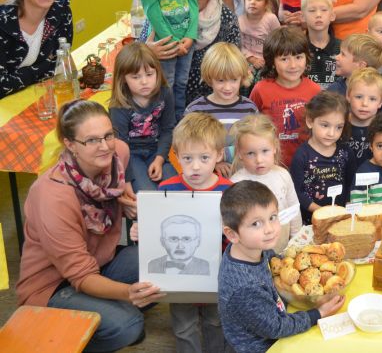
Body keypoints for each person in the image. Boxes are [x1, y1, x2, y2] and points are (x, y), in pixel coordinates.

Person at [16, 100, 161, 352]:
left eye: (108, 135)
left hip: (100, 263)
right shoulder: (52, 196)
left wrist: (123, 199)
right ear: (70, 145)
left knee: (159, 262)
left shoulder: (119, 155)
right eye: (91, 140)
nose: (104, 146)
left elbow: (117, 181)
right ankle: (53, 334)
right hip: (53, 286)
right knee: (129, 326)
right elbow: (80, 275)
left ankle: (103, 311)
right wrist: (128, 293)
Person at [218, 181, 345, 352]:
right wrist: (318, 313)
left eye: (272, 217)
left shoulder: (255, 248)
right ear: (232, 234)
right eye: (256, 223)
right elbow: (276, 328)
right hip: (265, 346)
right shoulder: (245, 288)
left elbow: (274, 260)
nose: (269, 229)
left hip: (279, 314)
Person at [157, 112, 233, 351]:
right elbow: (156, 230)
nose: (195, 166)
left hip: (218, 275)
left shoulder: (229, 190)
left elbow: (238, 235)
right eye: (187, 158)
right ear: (177, 156)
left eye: (204, 157)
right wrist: (142, 231)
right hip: (178, 278)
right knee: (183, 326)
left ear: (219, 155)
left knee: (215, 322)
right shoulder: (166, 189)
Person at [143, 0, 241, 106]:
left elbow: (234, 66)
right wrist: (148, 52)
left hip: (207, 101)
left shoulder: (227, 20)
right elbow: (137, 52)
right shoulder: (165, 8)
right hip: (163, 100)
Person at [0, 0, 72, 97]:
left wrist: (21, 75)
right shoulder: (3, 23)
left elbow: (61, 64)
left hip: (34, 95)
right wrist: (41, 69)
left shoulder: (61, 12)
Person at [109, 42, 177, 192]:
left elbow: (168, 129)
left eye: (149, 74)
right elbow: (120, 147)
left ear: (157, 72)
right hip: (131, 156)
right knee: (147, 194)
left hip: (156, 150)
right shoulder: (118, 106)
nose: (144, 81)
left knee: (176, 191)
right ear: (123, 78)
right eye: (136, 77)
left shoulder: (165, 94)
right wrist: (126, 181)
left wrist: (159, 159)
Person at [250, 26, 321, 168]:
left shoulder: (315, 90)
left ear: (307, 58)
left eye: (298, 57)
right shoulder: (261, 89)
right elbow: (251, 126)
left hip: (306, 164)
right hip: (270, 165)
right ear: (272, 62)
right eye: (284, 59)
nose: (293, 65)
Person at [230, 114, 302, 253]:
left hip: (282, 246)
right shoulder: (236, 183)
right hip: (252, 252)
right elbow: (232, 221)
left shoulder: (283, 175)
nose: (259, 159)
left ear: (274, 148)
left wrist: (296, 239)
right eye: (251, 153)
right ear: (239, 153)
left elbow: (294, 208)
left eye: (265, 151)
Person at [185, 42, 258, 178]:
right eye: (220, 80)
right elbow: (188, 147)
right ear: (209, 78)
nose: (227, 87)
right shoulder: (195, 111)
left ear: (242, 77)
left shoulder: (249, 108)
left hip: (245, 178)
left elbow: (256, 144)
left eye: (233, 80)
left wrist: (223, 155)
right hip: (207, 179)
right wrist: (213, 164)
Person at [290, 91, 356, 224]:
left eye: (338, 127)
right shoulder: (301, 155)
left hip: (341, 218)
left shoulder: (346, 152)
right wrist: (321, 211)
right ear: (310, 121)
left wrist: (346, 210)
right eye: (325, 125)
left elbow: (351, 185)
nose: (331, 133)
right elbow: (298, 193)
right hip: (312, 220)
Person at [344, 67, 382, 168]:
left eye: (372, 99)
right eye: (359, 97)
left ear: (380, 102)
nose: (364, 104)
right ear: (348, 96)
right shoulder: (339, 124)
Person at [239, 0, 280, 77]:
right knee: (245, 77)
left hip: (268, 60)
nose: (252, 2)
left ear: (266, 4)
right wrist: (252, 59)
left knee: (265, 78)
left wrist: (269, 60)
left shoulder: (271, 19)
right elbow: (239, 45)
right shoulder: (240, 20)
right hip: (247, 60)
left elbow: (279, 41)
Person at [301, 0, 340, 89]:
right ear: (303, 17)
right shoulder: (297, 48)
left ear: (332, 16)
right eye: (312, 10)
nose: (318, 15)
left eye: (324, 10)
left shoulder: (343, 49)